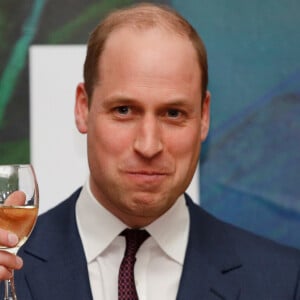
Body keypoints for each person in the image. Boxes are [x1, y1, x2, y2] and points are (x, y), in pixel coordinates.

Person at [1, 3, 300, 299]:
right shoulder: (8, 268)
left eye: (173, 114)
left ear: (204, 117)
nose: (148, 145)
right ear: (83, 108)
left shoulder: (283, 282)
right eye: (124, 110)